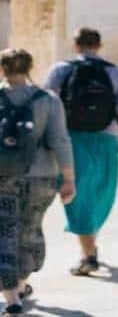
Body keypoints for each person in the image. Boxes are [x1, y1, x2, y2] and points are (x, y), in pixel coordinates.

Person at [43, 28, 118, 276]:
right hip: (106, 140)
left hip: (70, 140)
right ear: (99, 46)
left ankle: (88, 253)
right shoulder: (116, 73)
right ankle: (89, 251)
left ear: (76, 46)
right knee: (100, 194)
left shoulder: (60, 70)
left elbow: (45, 107)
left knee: (77, 195)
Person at [0, 49, 75, 314]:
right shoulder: (49, 100)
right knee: (30, 229)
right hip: (42, 176)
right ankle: (20, 284)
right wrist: (69, 178)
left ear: (2, 69)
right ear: (31, 67)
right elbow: (60, 140)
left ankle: (11, 299)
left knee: (4, 233)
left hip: (3, 177)